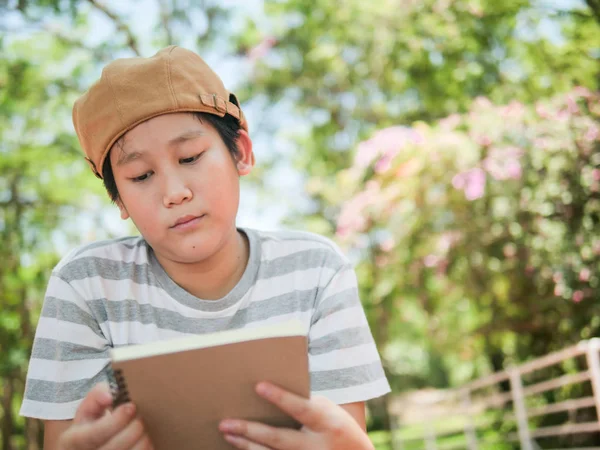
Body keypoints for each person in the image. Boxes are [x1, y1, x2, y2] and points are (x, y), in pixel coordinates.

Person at [20, 45, 390, 449]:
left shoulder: (317, 271)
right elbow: (65, 441)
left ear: (241, 153)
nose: (175, 193)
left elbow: (342, 436)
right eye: (142, 176)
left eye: (191, 157)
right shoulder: (87, 286)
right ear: (119, 200)